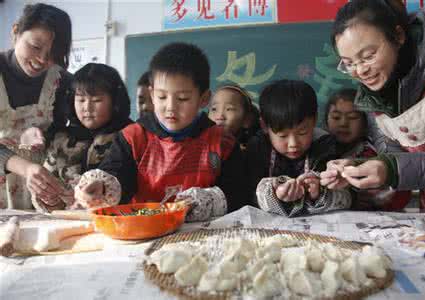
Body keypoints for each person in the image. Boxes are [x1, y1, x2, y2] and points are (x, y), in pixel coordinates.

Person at [74, 42, 247, 222]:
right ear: (152, 94)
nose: (170, 107)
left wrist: (209, 200)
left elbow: (238, 192)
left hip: (204, 236)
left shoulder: (221, 142)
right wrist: (101, 187)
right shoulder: (133, 137)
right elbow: (117, 175)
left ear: (203, 99)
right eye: (162, 97)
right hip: (144, 232)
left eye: (182, 98)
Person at [320, 0, 425, 214]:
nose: (360, 71)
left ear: (398, 36)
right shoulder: (375, 94)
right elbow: (396, 157)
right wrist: (358, 168)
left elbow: (396, 167)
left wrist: (389, 168)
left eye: (368, 56)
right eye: (349, 63)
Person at [31, 63, 133, 212]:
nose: (87, 108)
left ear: (115, 101)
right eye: (80, 99)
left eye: (96, 100)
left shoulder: (129, 136)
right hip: (67, 223)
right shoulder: (61, 139)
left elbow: (132, 187)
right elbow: (46, 188)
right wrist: (50, 200)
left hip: (116, 222)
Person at [0, 3, 72, 209]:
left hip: (35, 188)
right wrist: (24, 166)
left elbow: (61, 131)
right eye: (35, 46)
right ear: (16, 32)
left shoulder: (60, 81)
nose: (42, 60)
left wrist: (43, 136)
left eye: (53, 53)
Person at [246, 79, 351, 217]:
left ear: (314, 120)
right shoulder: (257, 147)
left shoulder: (325, 145)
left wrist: (319, 192)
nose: (293, 143)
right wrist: (274, 195)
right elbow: (247, 193)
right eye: (283, 136)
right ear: (265, 126)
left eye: (302, 132)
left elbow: (346, 196)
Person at [325, 88, 410, 211]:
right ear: (326, 120)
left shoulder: (375, 155)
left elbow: (402, 190)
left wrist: (377, 198)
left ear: (366, 123)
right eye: (336, 117)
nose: (343, 123)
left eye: (353, 117)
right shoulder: (318, 150)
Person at [208, 84, 260, 150]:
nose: (219, 116)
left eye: (229, 109)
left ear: (247, 120)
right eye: (214, 109)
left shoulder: (249, 152)